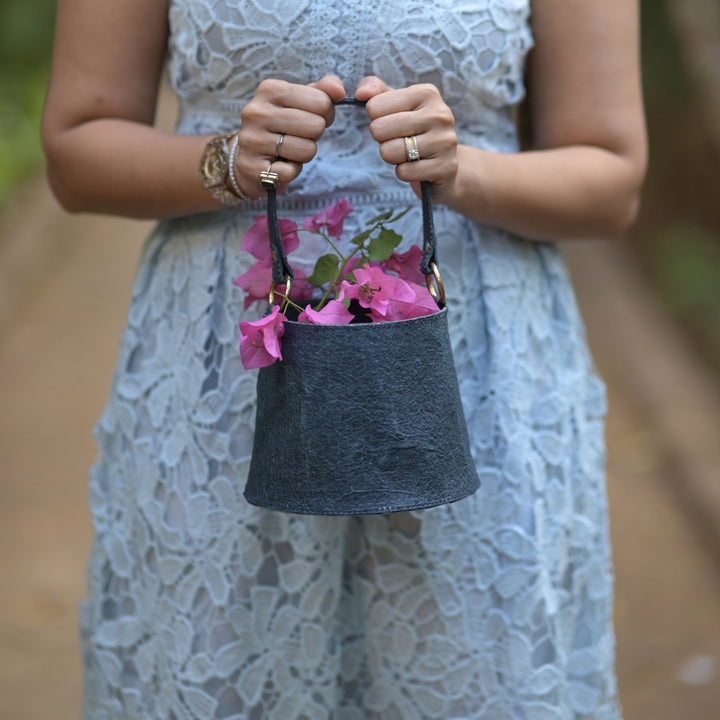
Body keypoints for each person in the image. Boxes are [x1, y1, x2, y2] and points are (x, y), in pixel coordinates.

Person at [42, 1, 646, 718]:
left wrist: (463, 173)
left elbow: (612, 178)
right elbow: (76, 152)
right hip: (228, 375)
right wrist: (224, 161)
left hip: (472, 368)